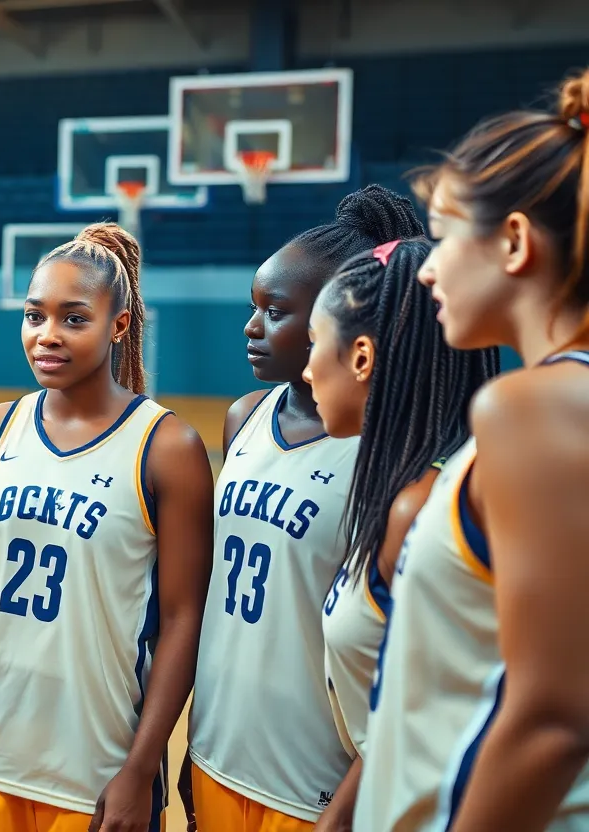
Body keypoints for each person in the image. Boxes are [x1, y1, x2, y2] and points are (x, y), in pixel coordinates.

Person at [0, 222, 214, 832]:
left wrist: (140, 768)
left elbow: (184, 619)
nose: (47, 334)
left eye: (74, 319)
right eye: (35, 316)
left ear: (119, 326)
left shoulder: (167, 448)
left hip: (97, 770)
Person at [356, 68, 589, 832]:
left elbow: (553, 721)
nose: (427, 266)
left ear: (514, 241)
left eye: (445, 237)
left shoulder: (531, 408)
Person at [185, 185, 425, 832]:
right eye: (253, 307)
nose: (251, 327)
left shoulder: (390, 456)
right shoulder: (243, 418)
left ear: (340, 321)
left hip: (314, 783)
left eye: (275, 311)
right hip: (217, 751)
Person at [299, 237, 499, 829]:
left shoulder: (419, 507)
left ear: (361, 357)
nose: (307, 368)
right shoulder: (400, 487)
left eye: (314, 342)